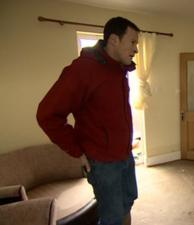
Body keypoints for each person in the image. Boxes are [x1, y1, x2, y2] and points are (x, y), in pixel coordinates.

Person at [37, 17, 140, 225]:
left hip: (125, 156)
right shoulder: (82, 70)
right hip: (103, 163)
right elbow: (47, 115)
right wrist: (77, 150)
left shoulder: (119, 69)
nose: (136, 49)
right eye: (133, 42)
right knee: (111, 217)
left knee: (127, 203)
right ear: (114, 40)